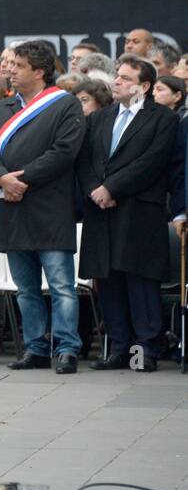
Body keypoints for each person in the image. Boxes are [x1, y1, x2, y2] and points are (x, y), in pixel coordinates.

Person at [0, 40, 86, 374]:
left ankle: (67, 348)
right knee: (25, 288)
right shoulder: (4, 108)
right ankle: (35, 347)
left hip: (50, 207)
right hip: (12, 208)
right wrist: (1, 179)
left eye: (19, 66)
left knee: (61, 286)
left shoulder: (65, 104)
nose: (10, 71)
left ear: (39, 71)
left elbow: (64, 151)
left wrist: (21, 179)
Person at [78, 56, 179, 372]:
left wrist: (112, 189)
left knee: (139, 279)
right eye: (116, 76)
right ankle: (118, 347)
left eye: (124, 77)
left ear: (144, 86)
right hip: (101, 210)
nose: (116, 81)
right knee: (108, 280)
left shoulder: (162, 118)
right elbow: (86, 160)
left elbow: (152, 161)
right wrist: (97, 188)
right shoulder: (100, 117)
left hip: (138, 210)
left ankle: (145, 349)